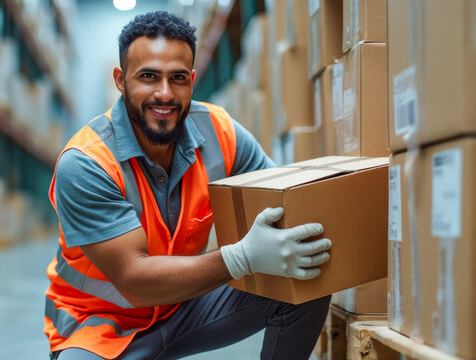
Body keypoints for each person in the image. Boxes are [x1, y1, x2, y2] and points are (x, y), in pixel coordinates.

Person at [44, 11, 332, 360]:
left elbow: (287, 205)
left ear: (192, 79)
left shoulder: (220, 132)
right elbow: (134, 279)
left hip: (182, 308)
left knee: (307, 272)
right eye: (149, 77)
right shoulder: (87, 162)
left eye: (177, 78)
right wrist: (242, 257)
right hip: (99, 328)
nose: (164, 94)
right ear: (120, 80)